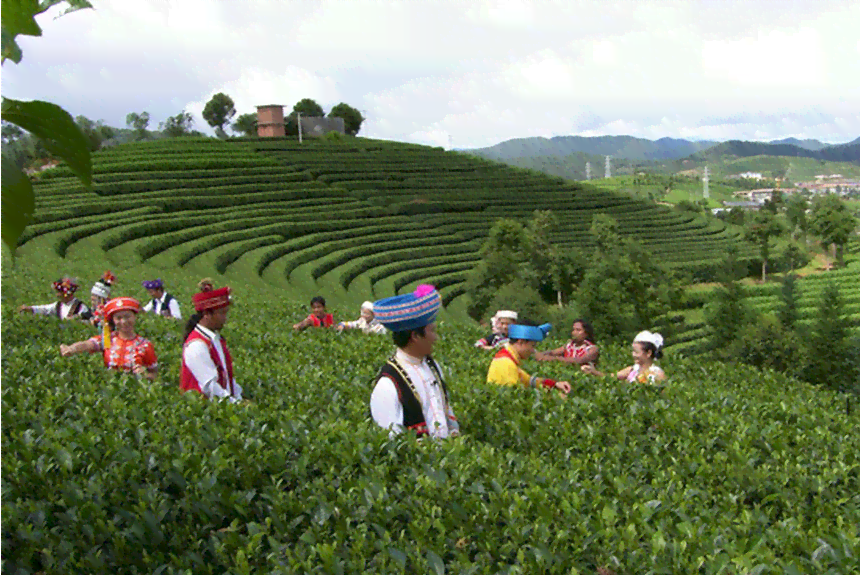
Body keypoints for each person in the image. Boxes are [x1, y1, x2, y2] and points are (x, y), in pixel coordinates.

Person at [369, 284, 460, 439]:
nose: (435, 337)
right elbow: (393, 444)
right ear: (415, 336)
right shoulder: (388, 385)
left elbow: (445, 411)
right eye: (432, 331)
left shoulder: (433, 366)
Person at [59, 297, 158, 380]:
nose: (123, 321)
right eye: (118, 318)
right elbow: (88, 344)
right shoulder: (108, 340)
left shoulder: (145, 345)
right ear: (113, 321)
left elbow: (154, 374)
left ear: (134, 317)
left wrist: (145, 375)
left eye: (127, 317)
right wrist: (71, 349)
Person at [180, 279, 243, 403]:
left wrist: (239, 397)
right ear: (207, 314)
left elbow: (226, 376)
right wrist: (235, 405)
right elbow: (210, 387)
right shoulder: (197, 344)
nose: (225, 318)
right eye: (221, 313)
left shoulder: (215, 340)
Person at [487, 321, 571, 395]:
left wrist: (554, 384)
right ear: (521, 342)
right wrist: (554, 398)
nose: (533, 350)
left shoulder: (508, 358)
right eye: (532, 346)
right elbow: (516, 397)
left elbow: (530, 380)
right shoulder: (506, 364)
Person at [581, 330, 667, 385]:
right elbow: (611, 377)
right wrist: (593, 372)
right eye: (633, 351)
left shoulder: (658, 374)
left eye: (636, 352)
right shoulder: (632, 370)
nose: (633, 355)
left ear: (648, 353)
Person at [19, 277, 90, 320]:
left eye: (59, 292)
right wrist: (30, 309)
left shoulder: (80, 307)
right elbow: (45, 309)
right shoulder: (58, 305)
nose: (57, 295)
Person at [535, 319, 599, 366]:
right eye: (573, 330)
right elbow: (553, 352)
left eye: (578, 330)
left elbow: (579, 360)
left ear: (586, 333)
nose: (574, 332)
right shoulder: (569, 345)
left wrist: (551, 358)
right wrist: (541, 354)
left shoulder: (592, 349)